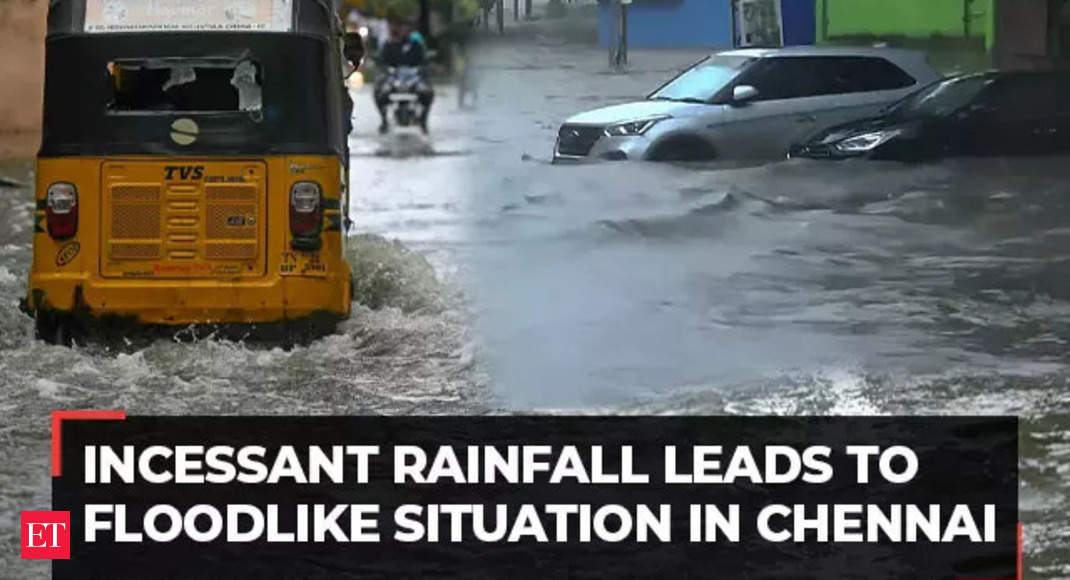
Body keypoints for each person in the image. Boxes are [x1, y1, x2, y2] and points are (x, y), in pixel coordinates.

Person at [374, 18, 434, 134]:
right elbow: (382, 62)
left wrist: (422, 68)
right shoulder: (389, 45)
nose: (404, 31)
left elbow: (424, 61)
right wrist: (386, 69)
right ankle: (384, 121)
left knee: (427, 92)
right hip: (393, 77)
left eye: (407, 29)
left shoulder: (416, 45)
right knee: (379, 92)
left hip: (414, 77)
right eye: (402, 28)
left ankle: (423, 120)